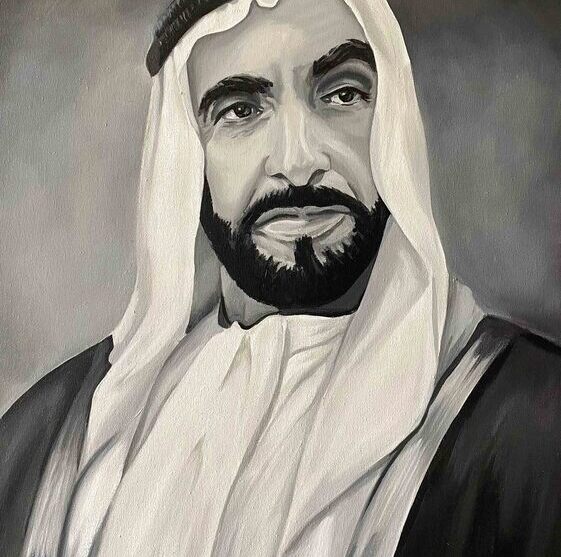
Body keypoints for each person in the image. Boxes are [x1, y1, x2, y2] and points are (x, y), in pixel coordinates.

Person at [1, 0, 561, 555]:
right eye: (241, 110)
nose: (297, 162)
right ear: (187, 155)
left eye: (343, 95)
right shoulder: (44, 441)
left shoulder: (532, 424)